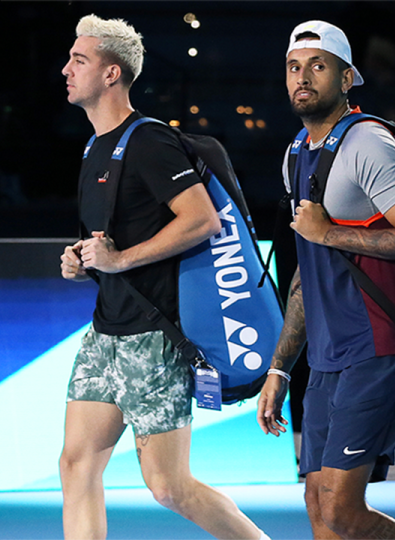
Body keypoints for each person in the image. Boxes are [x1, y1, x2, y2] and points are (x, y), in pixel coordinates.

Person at [57, 14, 268, 540]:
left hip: (153, 339)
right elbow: (109, 246)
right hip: (104, 335)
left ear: (111, 74)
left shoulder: (150, 141)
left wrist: (121, 261)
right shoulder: (92, 149)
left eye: (78, 60)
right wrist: (83, 263)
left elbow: (203, 220)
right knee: (76, 465)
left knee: (169, 486)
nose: (65, 69)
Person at [256, 20, 395, 540]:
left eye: (318, 66)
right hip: (329, 357)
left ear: (347, 78)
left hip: (382, 347)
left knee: (339, 510)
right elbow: (305, 279)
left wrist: (329, 232)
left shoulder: (369, 144)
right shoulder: (296, 153)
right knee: (318, 506)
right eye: (294, 67)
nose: (303, 77)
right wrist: (280, 370)